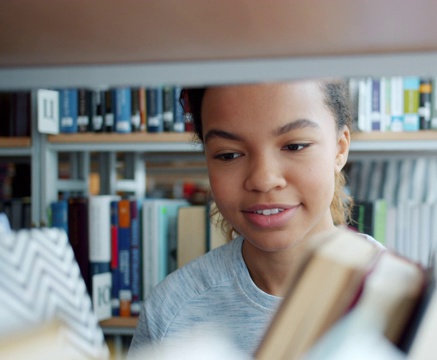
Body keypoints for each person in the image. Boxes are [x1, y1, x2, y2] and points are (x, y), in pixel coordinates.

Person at [128, 79, 382, 356]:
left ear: (340, 148)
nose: (263, 180)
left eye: (295, 146)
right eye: (229, 154)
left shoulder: (398, 298)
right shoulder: (172, 310)